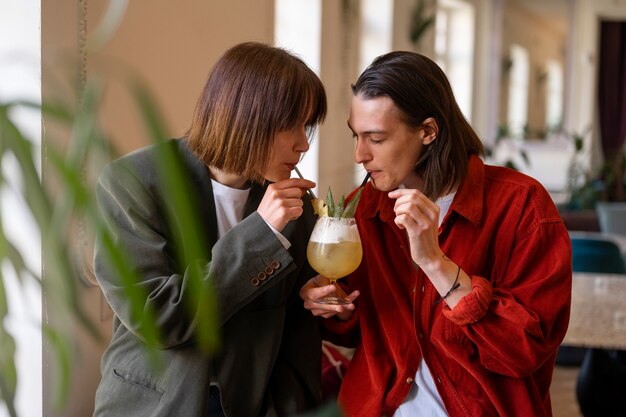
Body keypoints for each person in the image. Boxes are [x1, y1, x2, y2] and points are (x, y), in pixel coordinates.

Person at [300, 51, 572, 417]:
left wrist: (434, 262)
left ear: (428, 131)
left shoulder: (524, 207)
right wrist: (334, 306)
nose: (359, 155)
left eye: (376, 139)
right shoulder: (362, 209)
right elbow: (356, 329)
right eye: (356, 136)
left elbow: (525, 351)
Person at [92, 41, 327, 417]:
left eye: (307, 125)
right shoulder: (132, 183)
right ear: (244, 118)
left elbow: (296, 331)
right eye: (289, 125)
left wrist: (321, 299)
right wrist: (261, 233)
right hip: (155, 404)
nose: (302, 144)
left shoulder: (296, 206)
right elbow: (159, 318)